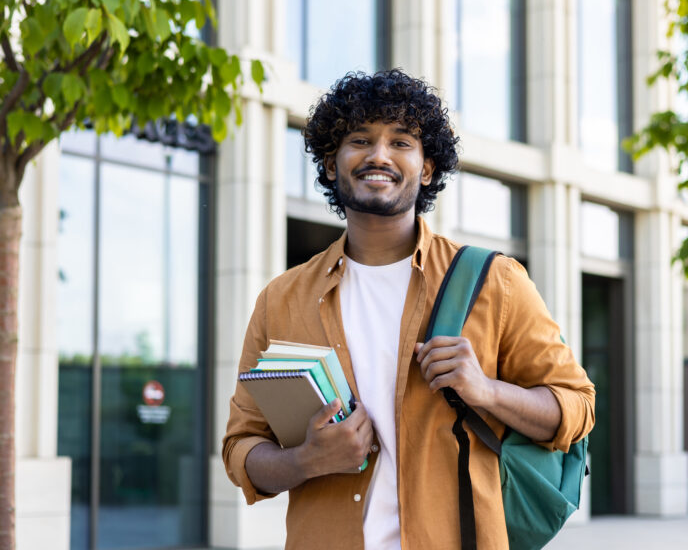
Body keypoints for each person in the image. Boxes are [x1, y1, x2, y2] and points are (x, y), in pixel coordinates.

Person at [222, 69, 595, 550]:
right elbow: (241, 446)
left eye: (401, 141)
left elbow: (577, 407)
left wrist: (487, 391)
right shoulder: (282, 299)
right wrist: (306, 461)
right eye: (360, 139)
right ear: (331, 164)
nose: (379, 154)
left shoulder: (496, 282)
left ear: (427, 168)